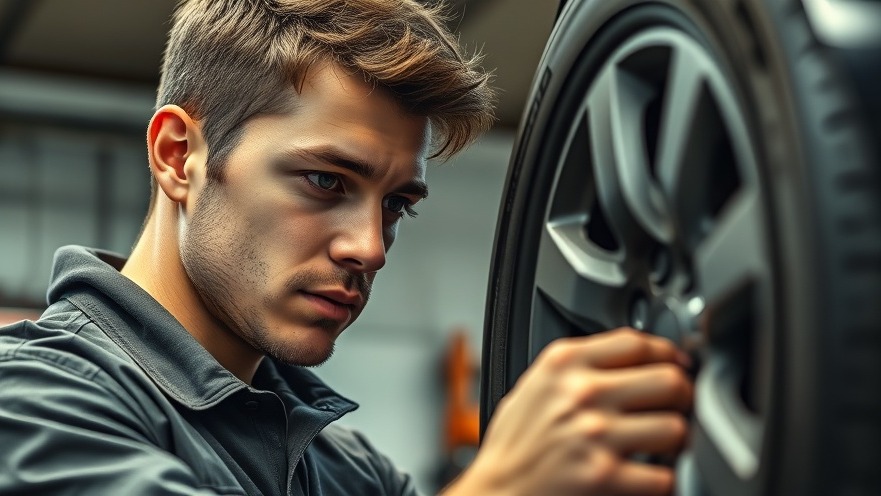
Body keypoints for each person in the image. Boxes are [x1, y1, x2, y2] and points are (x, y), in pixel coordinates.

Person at [0, 0, 693, 495]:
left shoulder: (349, 471)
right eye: (325, 181)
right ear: (179, 156)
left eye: (395, 205)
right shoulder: (30, 406)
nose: (370, 248)